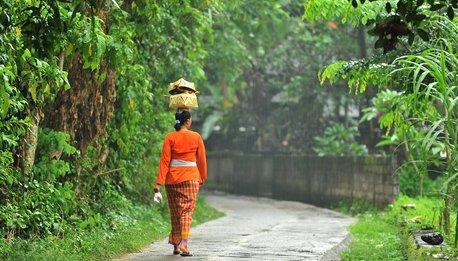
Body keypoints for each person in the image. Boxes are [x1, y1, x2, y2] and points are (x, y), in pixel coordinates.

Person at [154, 109, 207, 257]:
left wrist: (158, 183)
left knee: (176, 212)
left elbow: (164, 161)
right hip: (190, 178)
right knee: (186, 212)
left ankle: (176, 245)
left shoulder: (170, 137)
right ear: (188, 121)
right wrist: (202, 177)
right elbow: (201, 160)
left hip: (172, 180)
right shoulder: (196, 137)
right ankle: (183, 243)